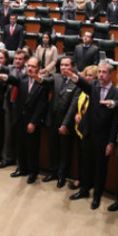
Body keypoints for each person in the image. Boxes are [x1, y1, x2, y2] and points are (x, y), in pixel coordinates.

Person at [66, 60, 118, 209]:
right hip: (88, 132)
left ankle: (97, 196)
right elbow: (83, 84)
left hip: (103, 137)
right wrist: (74, 77)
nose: (100, 75)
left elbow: (116, 121)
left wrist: (111, 142)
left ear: (111, 74)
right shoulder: (94, 86)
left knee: (100, 169)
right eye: (99, 72)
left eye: (104, 72)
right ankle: (84, 190)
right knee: (86, 164)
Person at [0, 56, 47, 183]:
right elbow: (14, 80)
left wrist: (33, 122)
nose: (30, 68)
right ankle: (22, 168)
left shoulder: (42, 83)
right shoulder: (23, 79)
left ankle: (33, 172)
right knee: (20, 145)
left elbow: (42, 105)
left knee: (32, 148)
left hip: (32, 120)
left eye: (33, 66)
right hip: (20, 119)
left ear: (39, 68)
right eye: (28, 66)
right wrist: (5, 77)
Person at [39, 56, 80, 186]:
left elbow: (73, 106)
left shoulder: (77, 81)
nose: (63, 67)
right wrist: (37, 77)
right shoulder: (56, 77)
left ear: (72, 66)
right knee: (53, 147)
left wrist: (65, 124)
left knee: (65, 150)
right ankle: (53, 171)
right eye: (62, 65)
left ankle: (62, 175)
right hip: (53, 119)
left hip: (66, 121)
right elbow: (45, 81)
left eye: (66, 65)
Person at [0, 49, 27, 169]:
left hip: (21, 107)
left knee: (20, 136)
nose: (17, 61)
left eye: (20, 59)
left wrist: (7, 78)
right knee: (8, 134)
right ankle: (6, 158)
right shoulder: (11, 68)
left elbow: (19, 82)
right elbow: (3, 68)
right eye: (15, 58)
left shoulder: (28, 71)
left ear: (25, 60)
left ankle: (20, 162)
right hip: (9, 104)